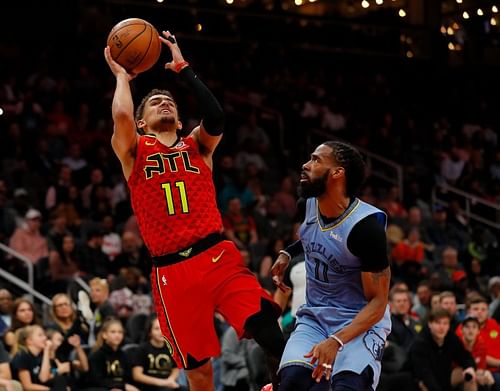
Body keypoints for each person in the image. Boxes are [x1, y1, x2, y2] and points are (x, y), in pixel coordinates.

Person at [104, 30, 284, 391]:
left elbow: (216, 116)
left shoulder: (197, 146)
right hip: (172, 271)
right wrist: (123, 77)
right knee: (199, 371)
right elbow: (122, 113)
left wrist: (183, 69)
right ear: (142, 124)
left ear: (182, 119)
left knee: (269, 330)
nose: (164, 103)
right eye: (154, 103)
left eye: (168, 101)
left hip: (217, 256)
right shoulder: (134, 152)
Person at [271, 141, 391, 390]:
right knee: (292, 382)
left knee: (346, 387)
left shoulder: (366, 229)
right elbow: (313, 237)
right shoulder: (307, 205)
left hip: (358, 321)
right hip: (316, 316)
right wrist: (287, 253)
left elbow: (378, 303)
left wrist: (336, 341)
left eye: (316, 160)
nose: (305, 165)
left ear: (338, 173)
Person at [407, 308, 477, 391]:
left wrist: (470, 367)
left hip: (444, 377)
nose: (442, 327)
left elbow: (465, 356)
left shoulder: (450, 337)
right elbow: (424, 373)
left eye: (445, 323)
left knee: (469, 377)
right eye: (438, 323)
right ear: (430, 324)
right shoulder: (420, 343)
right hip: (420, 381)